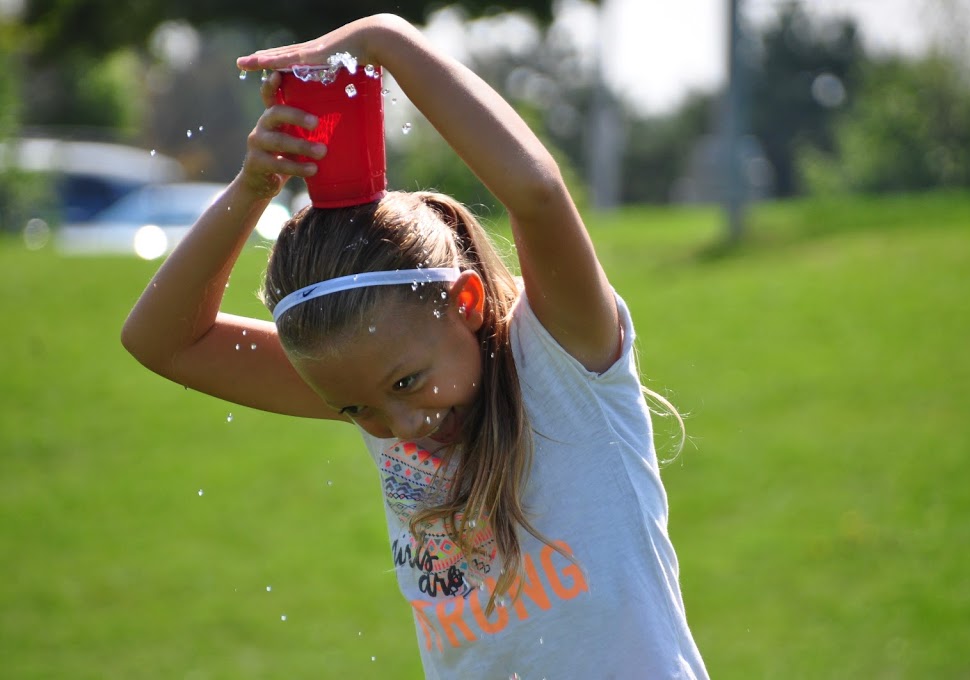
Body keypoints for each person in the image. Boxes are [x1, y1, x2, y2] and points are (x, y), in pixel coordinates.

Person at [121, 13, 709, 679]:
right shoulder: (374, 384)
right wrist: (256, 188)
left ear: (466, 303)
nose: (400, 427)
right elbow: (161, 341)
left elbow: (538, 194)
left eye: (405, 384)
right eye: (354, 412)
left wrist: (388, 43)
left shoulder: (564, 366)